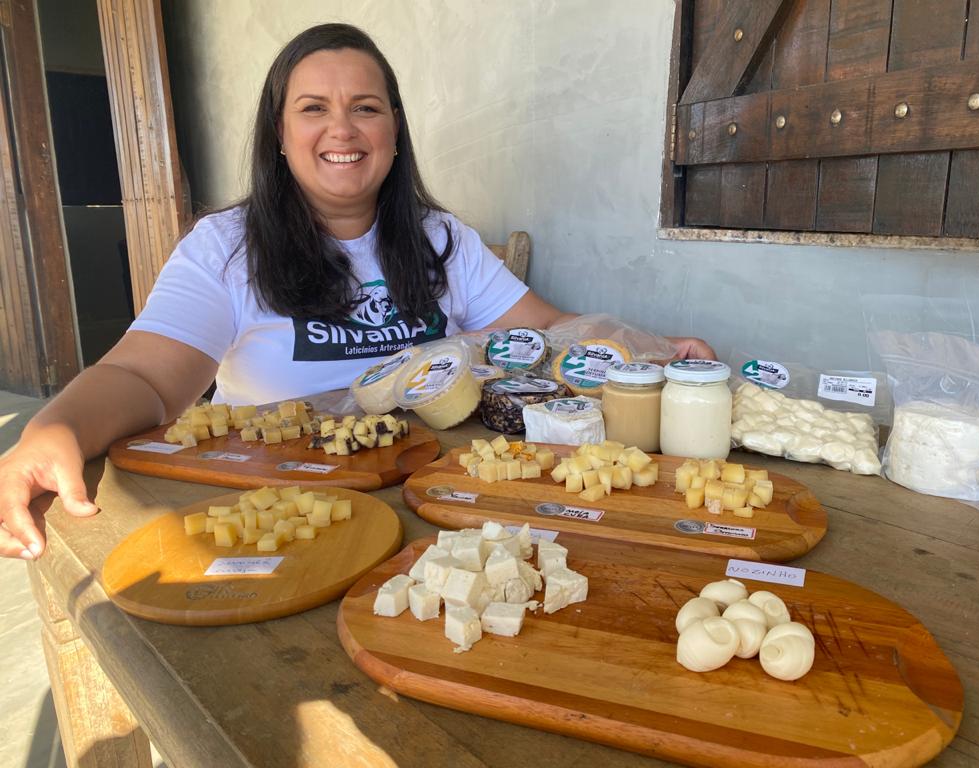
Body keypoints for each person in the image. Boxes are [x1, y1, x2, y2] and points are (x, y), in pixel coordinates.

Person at [0, 23, 714, 560]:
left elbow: (548, 333)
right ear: (279, 133)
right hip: (288, 512)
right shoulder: (225, 247)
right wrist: (52, 430)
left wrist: (652, 353)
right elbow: (143, 381)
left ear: (395, 132)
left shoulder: (442, 238)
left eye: (366, 107)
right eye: (313, 108)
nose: (342, 127)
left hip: (437, 508)